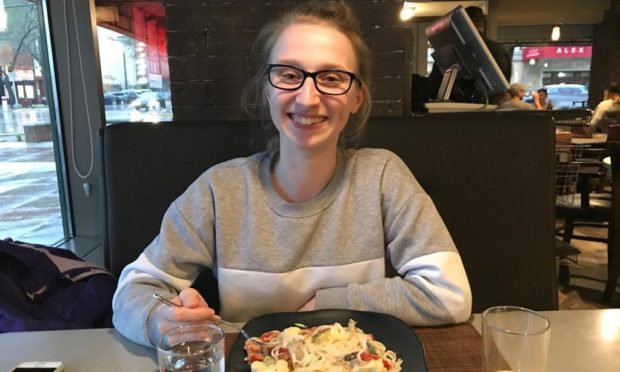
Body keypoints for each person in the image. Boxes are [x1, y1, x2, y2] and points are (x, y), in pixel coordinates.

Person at [112, 1, 472, 347]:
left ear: (357, 97)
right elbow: (133, 290)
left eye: (331, 78)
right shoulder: (220, 190)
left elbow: (449, 296)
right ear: (267, 89)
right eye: (288, 74)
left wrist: (327, 304)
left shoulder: (381, 177)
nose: (308, 98)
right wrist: (163, 321)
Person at [428, 6, 512, 104]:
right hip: (491, 112)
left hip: (456, 112)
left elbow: (434, 86)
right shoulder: (499, 50)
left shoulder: (449, 52)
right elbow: (504, 85)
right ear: (483, 24)